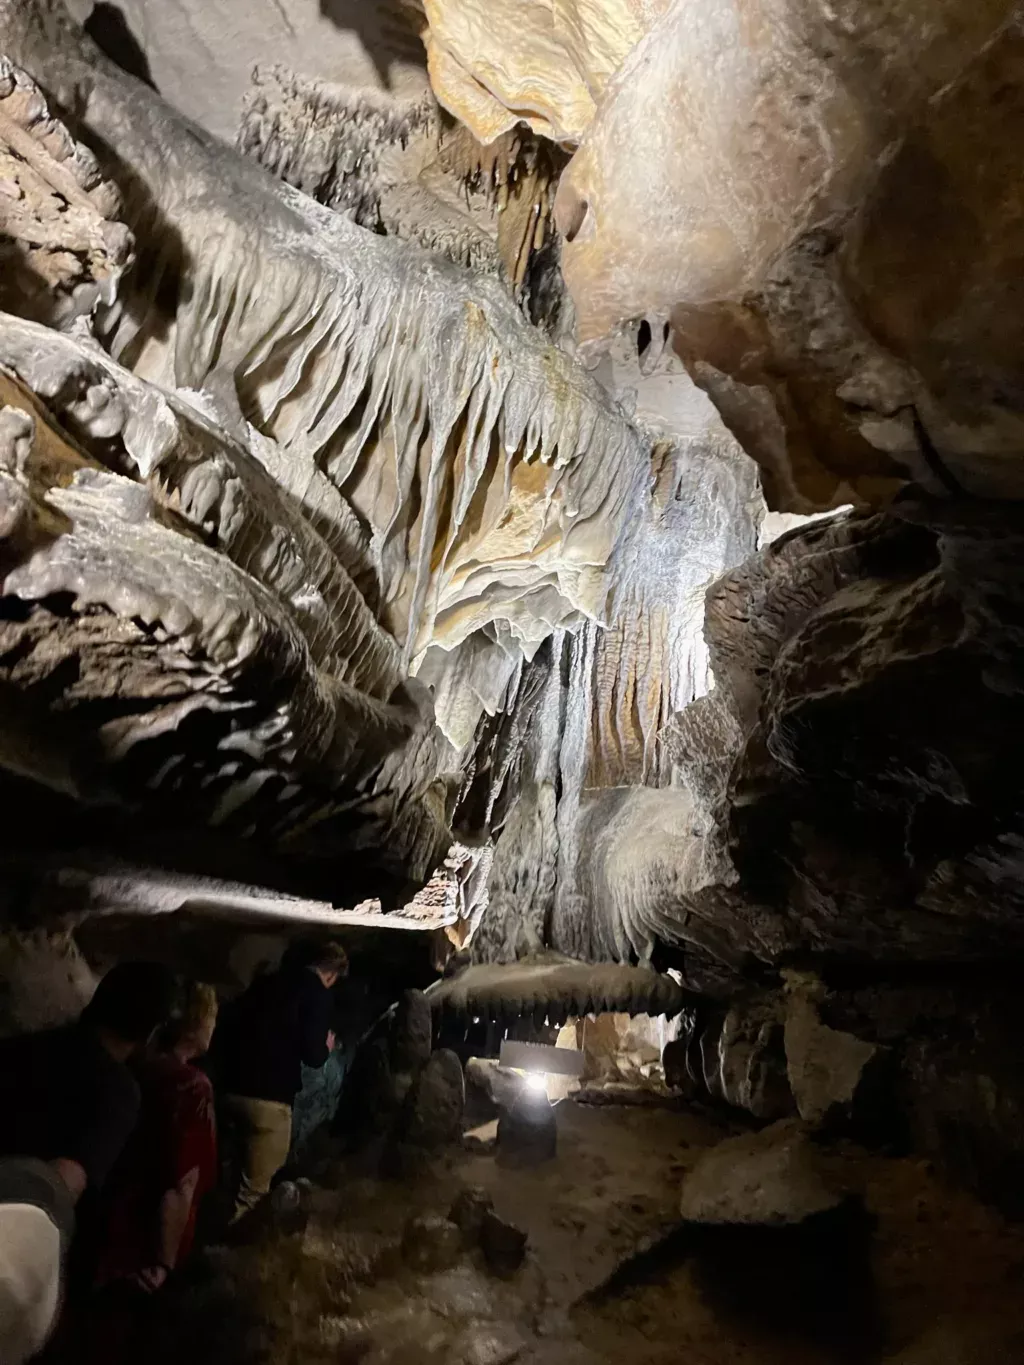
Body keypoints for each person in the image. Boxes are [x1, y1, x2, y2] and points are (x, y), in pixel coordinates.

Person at [0, 961, 178, 1363]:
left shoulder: (18, 1048)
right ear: (151, 1030)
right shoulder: (117, 1091)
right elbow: (64, 1182)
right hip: (31, 1259)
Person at [94, 981, 219, 1294]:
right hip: (142, 1241)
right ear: (196, 1024)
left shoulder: (133, 1064)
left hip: (100, 1219)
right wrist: (163, 1262)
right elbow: (181, 1182)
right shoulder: (191, 1087)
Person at [215, 940, 346, 1220]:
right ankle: (230, 1258)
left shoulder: (264, 984)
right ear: (332, 974)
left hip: (229, 1091)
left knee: (225, 1180)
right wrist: (327, 1046)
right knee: (254, 1195)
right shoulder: (317, 993)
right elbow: (313, 1055)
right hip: (269, 1101)